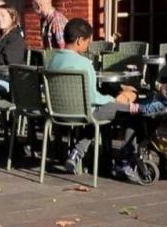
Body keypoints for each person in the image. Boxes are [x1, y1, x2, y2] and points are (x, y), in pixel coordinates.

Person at [46, 18, 138, 174]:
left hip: (57, 112)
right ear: (79, 40)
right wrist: (112, 99)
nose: (88, 46)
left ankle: (77, 152)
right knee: (132, 111)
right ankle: (125, 160)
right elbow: (93, 98)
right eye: (88, 42)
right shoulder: (84, 64)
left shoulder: (52, 60)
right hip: (86, 112)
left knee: (97, 113)